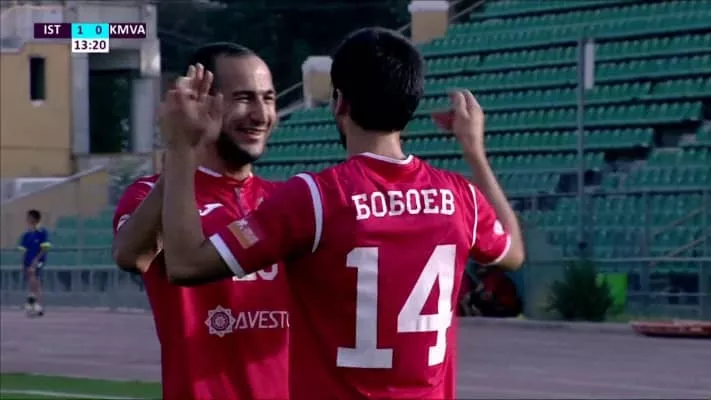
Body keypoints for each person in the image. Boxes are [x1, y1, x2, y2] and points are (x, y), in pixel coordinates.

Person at [160, 27, 525, 399]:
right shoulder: (460, 197)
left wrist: (181, 146)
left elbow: (186, 264)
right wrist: (474, 152)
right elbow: (513, 253)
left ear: (340, 102)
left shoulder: (316, 198)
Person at [111, 43, 289, 400]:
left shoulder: (287, 200)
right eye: (244, 98)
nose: (260, 114)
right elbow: (132, 256)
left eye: (268, 99)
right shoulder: (153, 193)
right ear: (204, 102)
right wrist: (182, 149)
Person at [18, 209, 51, 317]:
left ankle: (35, 305)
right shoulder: (26, 234)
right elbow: (23, 251)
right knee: (33, 284)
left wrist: (36, 260)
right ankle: (34, 305)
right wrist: (23, 264)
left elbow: (44, 248)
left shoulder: (42, 232)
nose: (27, 219)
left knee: (34, 281)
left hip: (37, 261)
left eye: (29, 217)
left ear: (34, 218)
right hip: (27, 262)